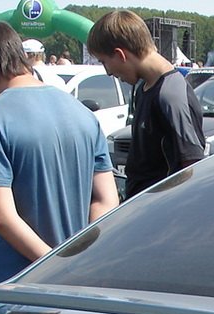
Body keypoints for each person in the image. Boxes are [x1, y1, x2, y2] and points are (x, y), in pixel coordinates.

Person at [0, 20, 118, 283]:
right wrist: (78, 259)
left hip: (17, 282)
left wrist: (54, 264)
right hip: (79, 277)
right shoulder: (82, 113)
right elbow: (107, 199)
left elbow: (3, 217)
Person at [87, 10, 205, 199]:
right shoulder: (143, 88)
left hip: (162, 209)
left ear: (120, 54)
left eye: (104, 62)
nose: (108, 72)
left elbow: (192, 167)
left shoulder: (170, 95)